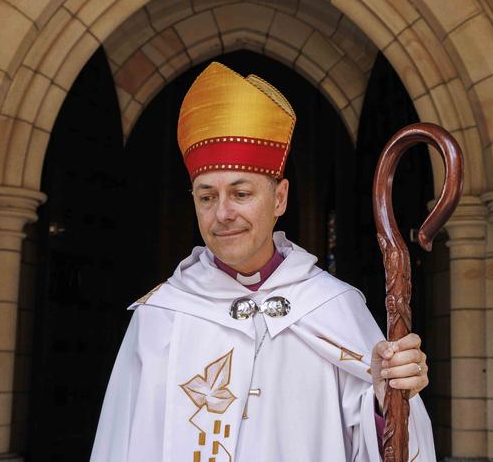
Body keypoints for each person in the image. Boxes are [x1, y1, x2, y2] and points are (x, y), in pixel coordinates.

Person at [90, 62, 435, 461]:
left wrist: (385, 395)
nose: (222, 213)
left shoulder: (334, 307)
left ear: (280, 198)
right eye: (207, 197)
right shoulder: (159, 317)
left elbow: (388, 444)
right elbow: (119, 447)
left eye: (240, 193)